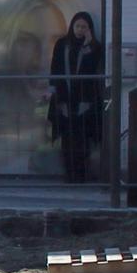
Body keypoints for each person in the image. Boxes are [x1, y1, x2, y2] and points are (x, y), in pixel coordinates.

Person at [48, 10, 104, 184]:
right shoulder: (62, 44)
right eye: (77, 26)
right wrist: (53, 91)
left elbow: (92, 68)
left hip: (84, 100)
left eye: (84, 27)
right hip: (65, 98)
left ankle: (81, 175)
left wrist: (88, 45)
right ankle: (69, 174)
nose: (80, 30)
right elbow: (55, 67)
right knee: (67, 140)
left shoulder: (94, 47)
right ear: (72, 26)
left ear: (90, 29)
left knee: (82, 139)